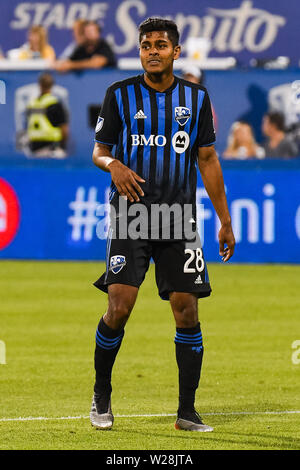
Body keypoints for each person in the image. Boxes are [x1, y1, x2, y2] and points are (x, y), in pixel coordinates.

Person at [90, 17, 235, 432]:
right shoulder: (119, 94)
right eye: (146, 44)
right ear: (140, 51)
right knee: (119, 306)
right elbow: (99, 151)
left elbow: (207, 160)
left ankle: (186, 412)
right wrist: (113, 163)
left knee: (186, 311)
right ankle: (102, 395)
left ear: (176, 51)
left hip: (179, 217)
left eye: (160, 44)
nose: (152, 50)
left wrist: (225, 221)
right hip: (132, 214)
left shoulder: (196, 98)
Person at [26, 73, 68, 157]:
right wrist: (63, 146)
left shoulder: (32, 104)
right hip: (51, 148)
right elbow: (64, 129)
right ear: (52, 85)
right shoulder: (54, 104)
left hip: (34, 149)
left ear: (39, 85)